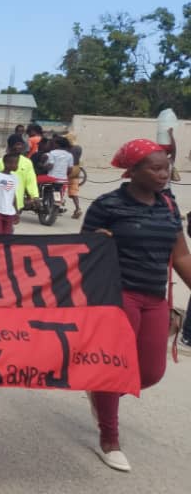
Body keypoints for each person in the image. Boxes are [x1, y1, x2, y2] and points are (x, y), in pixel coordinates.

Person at [82, 139, 191, 472]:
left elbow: (181, 254)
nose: (164, 174)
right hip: (117, 295)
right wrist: (98, 240)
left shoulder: (169, 206)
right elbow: (81, 250)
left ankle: (100, 392)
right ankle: (109, 439)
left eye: (166, 167)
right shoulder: (107, 205)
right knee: (116, 368)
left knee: (150, 372)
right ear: (132, 172)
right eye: (155, 168)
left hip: (155, 297)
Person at [0, 134, 39, 214]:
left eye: (21, 144)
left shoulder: (27, 163)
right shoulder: (0, 162)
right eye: (17, 144)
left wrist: (34, 196)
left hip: (17, 203)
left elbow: (31, 181)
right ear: (10, 146)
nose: (19, 147)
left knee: (9, 226)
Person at [65, 132, 84, 218]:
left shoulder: (67, 148)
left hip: (66, 170)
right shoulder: (79, 148)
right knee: (74, 190)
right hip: (76, 170)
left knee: (59, 187)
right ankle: (78, 208)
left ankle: (55, 206)